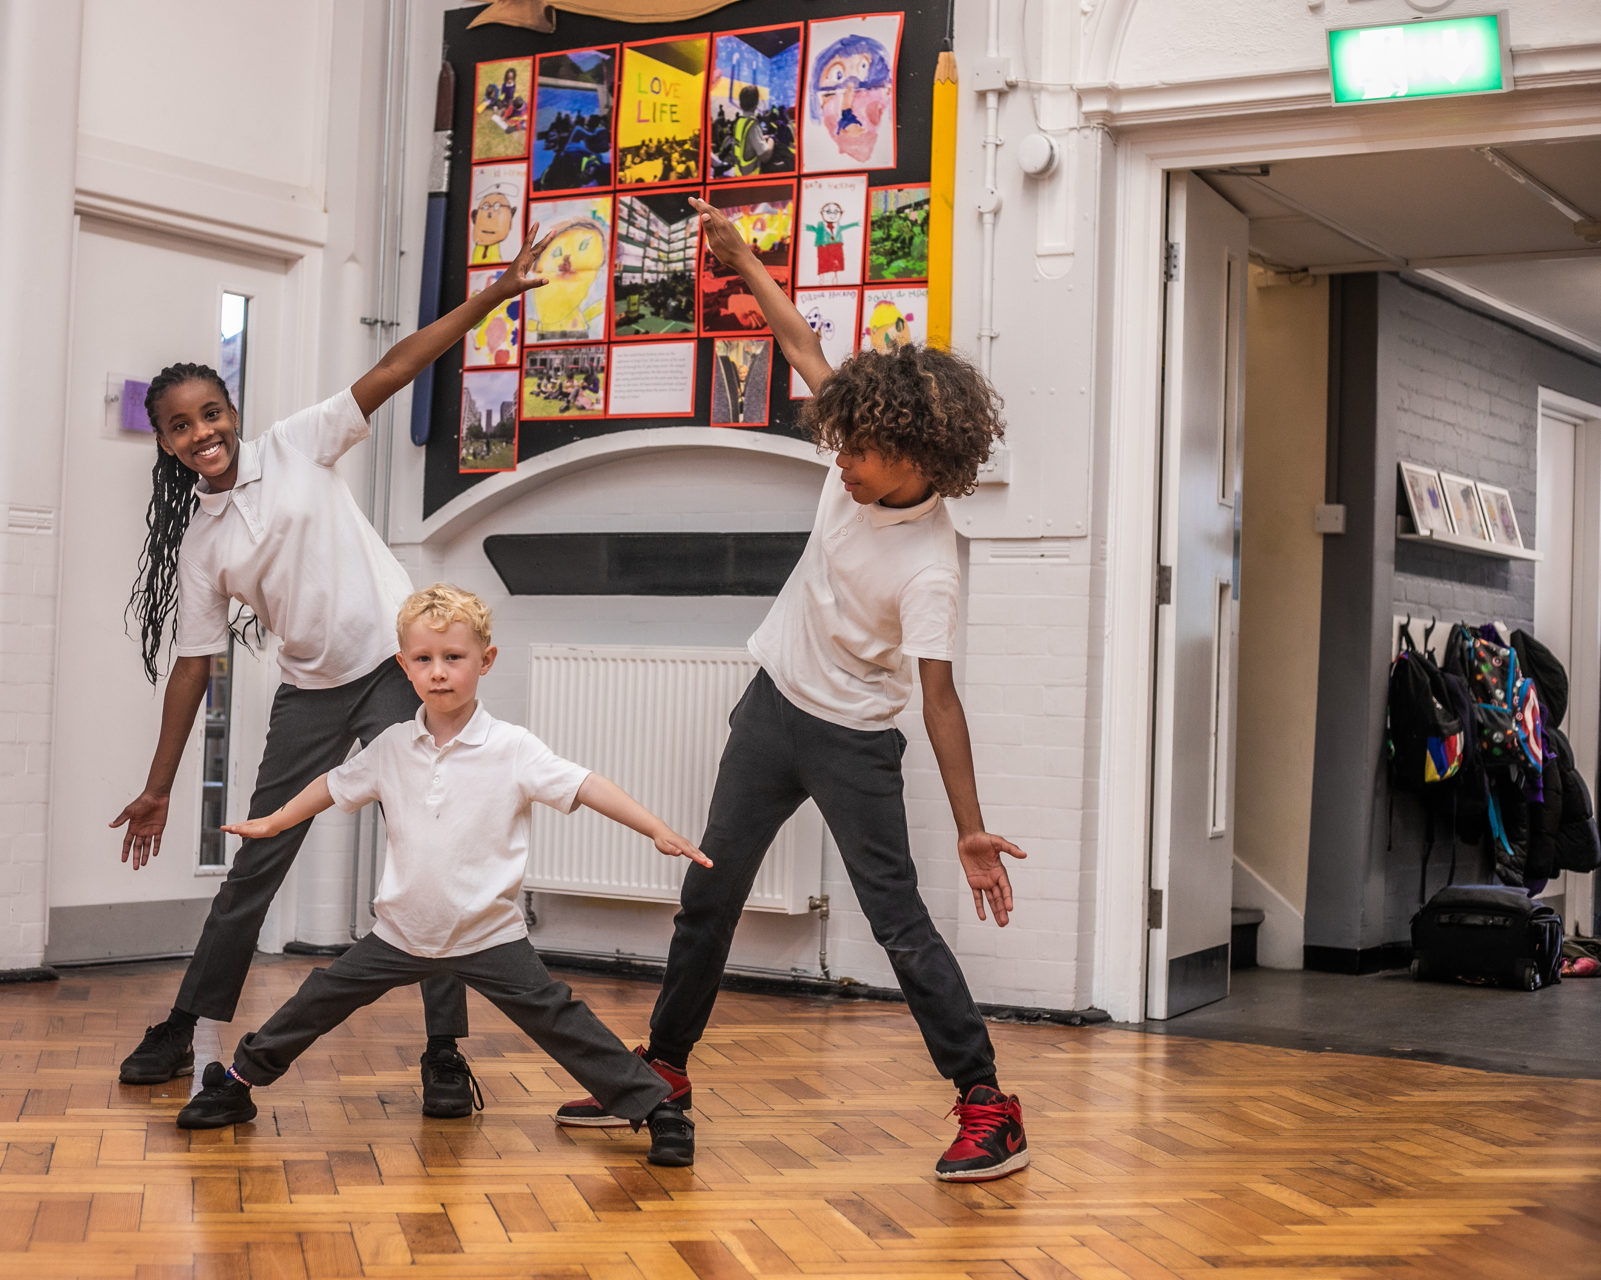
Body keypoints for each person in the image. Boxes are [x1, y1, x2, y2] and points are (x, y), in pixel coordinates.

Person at [552, 197, 1031, 1184]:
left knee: (898, 922)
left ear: (923, 457)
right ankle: (663, 1074)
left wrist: (974, 824)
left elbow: (940, 699)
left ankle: (988, 1102)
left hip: (854, 739)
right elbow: (803, 339)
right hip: (772, 711)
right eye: (841, 444)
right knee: (706, 896)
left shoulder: (933, 566)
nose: (841, 462)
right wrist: (737, 256)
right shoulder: (855, 445)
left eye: (861, 452)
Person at [110, 222, 559, 1118]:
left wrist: (494, 296)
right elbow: (193, 671)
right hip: (312, 690)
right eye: (180, 426)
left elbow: (395, 368)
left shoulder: (295, 444)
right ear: (163, 443)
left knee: (432, 852)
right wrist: (159, 785)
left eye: (211, 413)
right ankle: (187, 1021)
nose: (202, 431)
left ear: (233, 411)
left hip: (400, 671)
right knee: (256, 860)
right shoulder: (201, 544)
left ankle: (442, 1053)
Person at [175, 585, 708, 1169]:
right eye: (424, 660)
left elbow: (585, 784)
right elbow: (335, 784)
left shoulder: (512, 748)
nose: (438, 673)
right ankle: (237, 1082)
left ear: (486, 660)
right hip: (400, 933)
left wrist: (655, 827)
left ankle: (660, 1110)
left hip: (489, 935)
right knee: (316, 1000)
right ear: (403, 666)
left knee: (563, 1021)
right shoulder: (390, 747)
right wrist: (277, 820)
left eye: (453, 658)